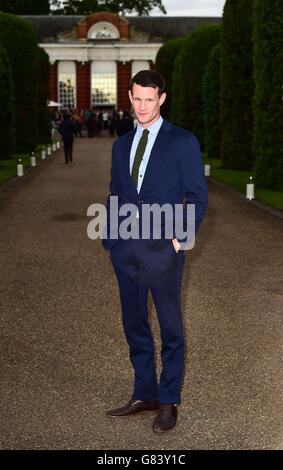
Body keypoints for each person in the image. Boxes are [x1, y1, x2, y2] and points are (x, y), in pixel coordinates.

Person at [102, 70, 208, 432]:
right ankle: (144, 392)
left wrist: (178, 241)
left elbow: (196, 197)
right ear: (129, 98)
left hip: (164, 251)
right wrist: (111, 242)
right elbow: (115, 195)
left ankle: (168, 400)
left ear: (162, 98)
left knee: (170, 328)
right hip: (126, 251)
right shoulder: (120, 145)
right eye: (137, 98)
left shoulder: (183, 142)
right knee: (134, 325)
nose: (143, 105)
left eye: (150, 98)